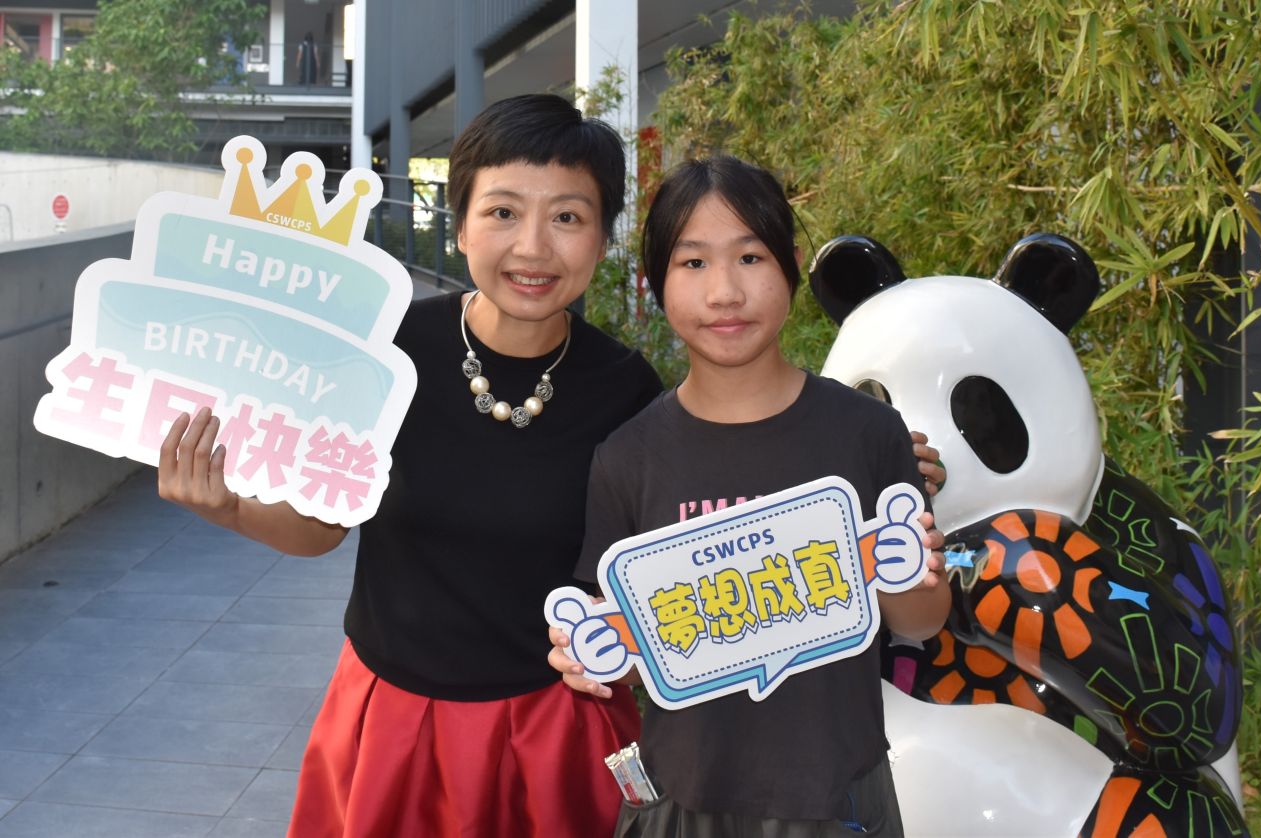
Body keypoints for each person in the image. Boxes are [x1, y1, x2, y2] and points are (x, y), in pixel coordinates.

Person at [157, 95, 945, 837]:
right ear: (460, 226)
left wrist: (875, 487)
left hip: (557, 724)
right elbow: (320, 525)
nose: (533, 247)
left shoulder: (627, 392)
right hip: (395, 715)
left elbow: (696, 512)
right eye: (503, 212)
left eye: (567, 217)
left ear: (602, 241)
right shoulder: (388, 353)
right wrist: (228, 507)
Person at [549, 156, 951, 837]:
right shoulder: (627, 458)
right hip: (683, 797)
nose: (725, 292)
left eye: (750, 257)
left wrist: (908, 569)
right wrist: (586, 651)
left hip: (835, 797)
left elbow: (922, 623)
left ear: (790, 266)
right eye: (693, 263)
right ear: (657, 282)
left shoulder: (865, 433)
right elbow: (620, 647)